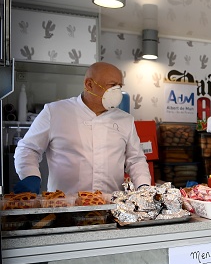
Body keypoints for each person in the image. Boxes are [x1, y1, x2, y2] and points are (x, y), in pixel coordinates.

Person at [14, 62, 151, 195]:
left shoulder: (125, 120)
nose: (117, 91)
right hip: (64, 205)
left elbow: (136, 160)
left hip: (111, 205)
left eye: (119, 86)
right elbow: (28, 148)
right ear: (89, 84)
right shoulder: (55, 112)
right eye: (112, 85)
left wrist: (144, 187)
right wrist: (30, 174)